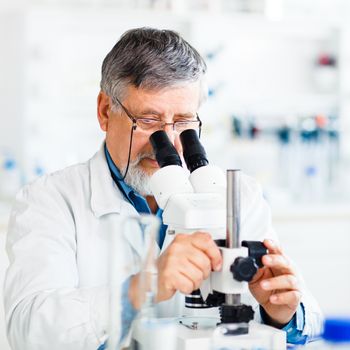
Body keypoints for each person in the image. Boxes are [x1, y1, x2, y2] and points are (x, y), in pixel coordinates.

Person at [4, 27, 322, 350]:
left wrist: (282, 314)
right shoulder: (50, 201)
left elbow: (312, 318)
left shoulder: (236, 197)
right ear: (104, 112)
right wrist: (144, 285)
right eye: (148, 121)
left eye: (183, 122)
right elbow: (27, 332)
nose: (167, 144)